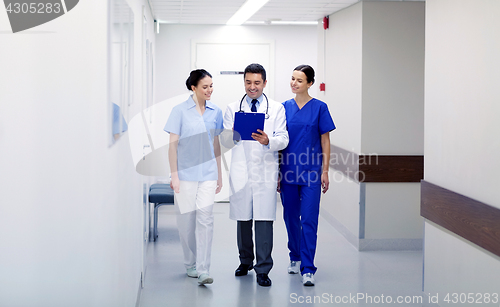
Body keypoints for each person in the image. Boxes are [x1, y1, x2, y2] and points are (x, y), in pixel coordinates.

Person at [224, 63, 289, 287]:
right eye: (248, 82)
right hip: (242, 169)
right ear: (244, 82)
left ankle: (263, 269)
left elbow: (283, 138)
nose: (252, 87)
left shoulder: (278, 109)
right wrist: (232, 135)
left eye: (257, 83)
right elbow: (225, 139)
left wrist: (268, 140)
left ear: (265, 83)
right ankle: (245, 262)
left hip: (265, 170)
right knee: (243, 220)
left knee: (263, 220)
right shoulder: (233, 108)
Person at [164, 69, 224, 286]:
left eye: (211, 86)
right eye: (205, 87)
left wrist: (219, 174)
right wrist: (174, 175)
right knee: (186, 222)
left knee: (206, 219)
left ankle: (203, 268)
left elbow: (215, 143)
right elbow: (172, 146)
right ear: (193, 88)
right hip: (185, 174)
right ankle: (190, 262)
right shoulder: (179, 111)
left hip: (208, 173)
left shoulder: (215, 111)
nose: (209, 90)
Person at [279, 65, 336, 286]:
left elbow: (325, 140)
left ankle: (308, 267)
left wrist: (325, 170)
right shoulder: (283, 108)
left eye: (299, 80)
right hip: (288, 171)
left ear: (310, 83)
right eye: (292, 79)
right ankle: (295, 256)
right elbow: (278, 141)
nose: (294, 83)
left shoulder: (320, 108)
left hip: (312, 172)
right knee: (290, 218)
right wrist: (276, 172)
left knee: (309, 219)